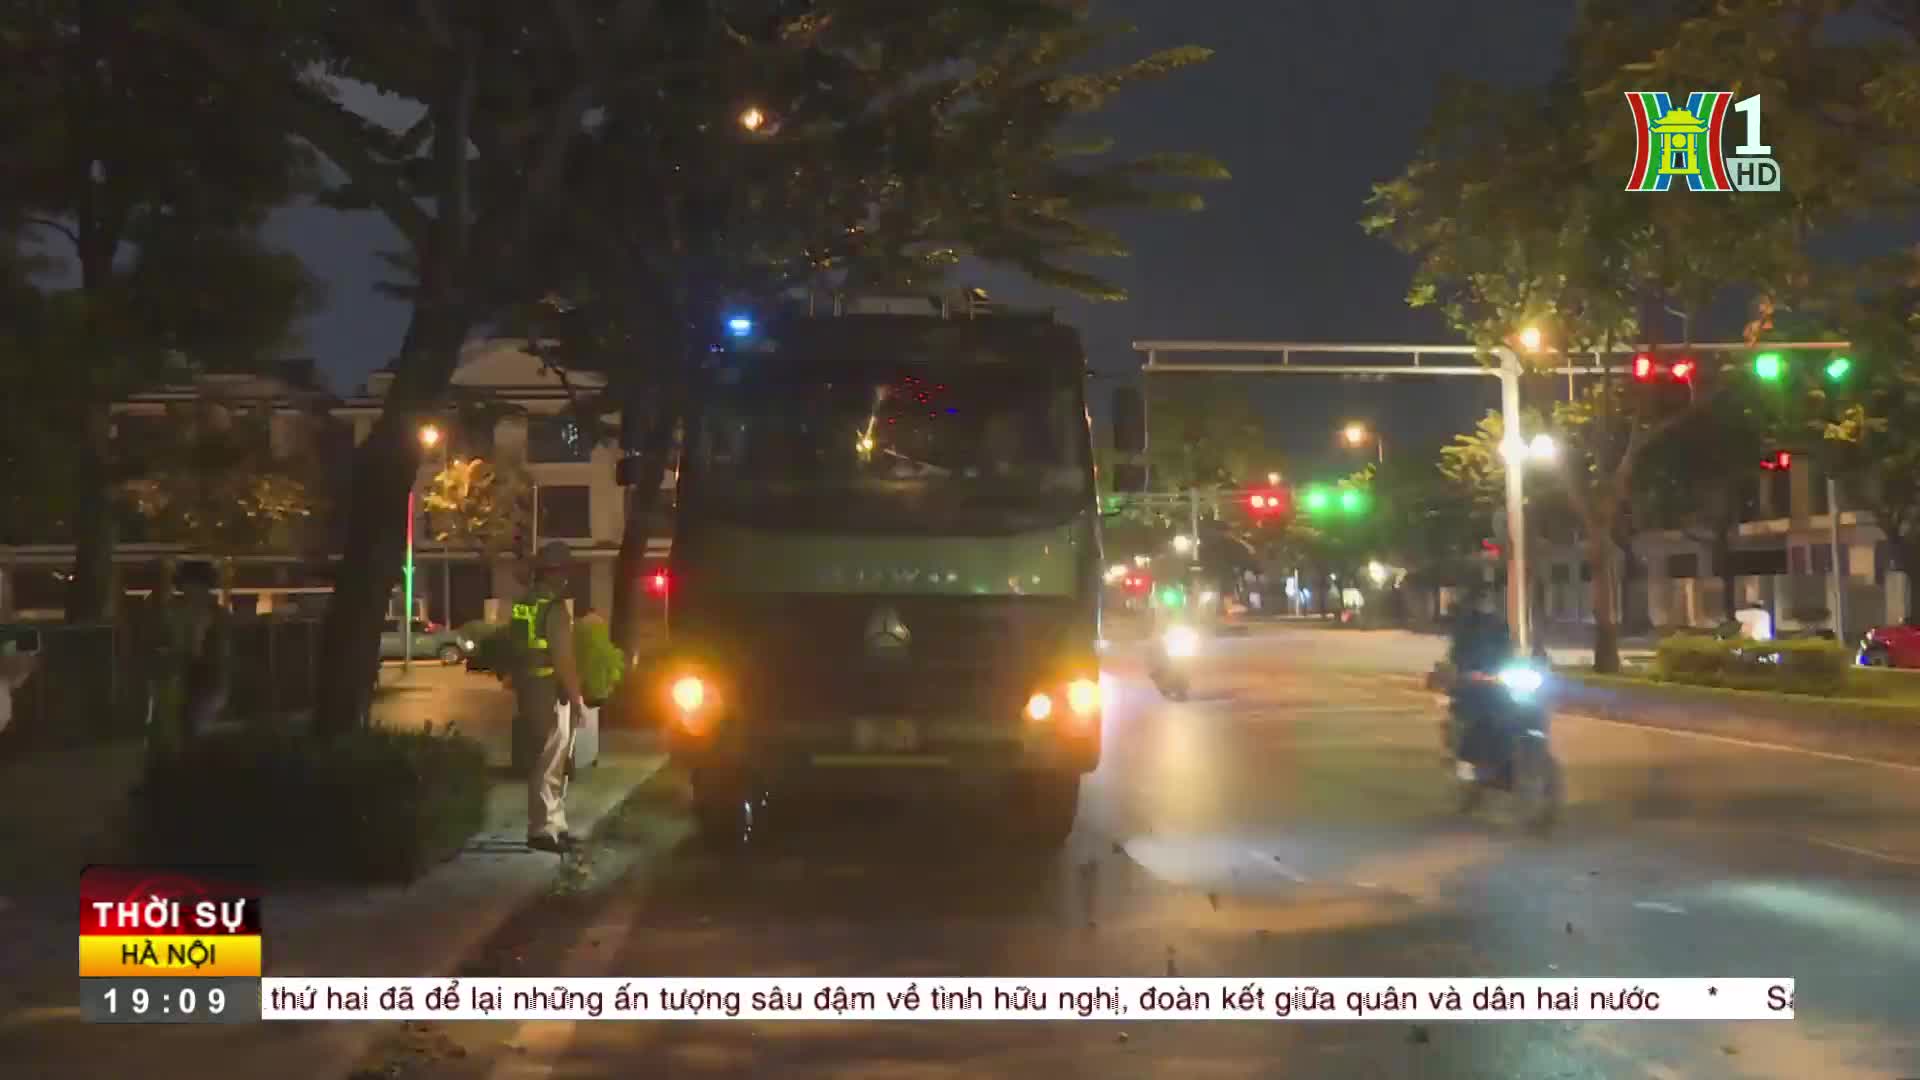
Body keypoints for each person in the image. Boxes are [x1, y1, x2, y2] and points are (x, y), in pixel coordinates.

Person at [510, 542, 586, 854]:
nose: (567, 577)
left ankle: (554, 824)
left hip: (529, 688)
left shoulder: (524, 604)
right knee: (551, 760)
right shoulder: (554, 609)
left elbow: (515, 647)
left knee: (546, 758)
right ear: (554, 572)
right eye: (565, 570)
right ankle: (543, 828)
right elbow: (563, 657)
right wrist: (576, 697)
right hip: (550, 691)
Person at [1447, 587, 1515, 771]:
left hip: (1496, 680)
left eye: (1488, 598)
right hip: (1472, 683)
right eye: (1482, 598)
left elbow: (1509, 649)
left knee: (1515, 709)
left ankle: (1509, 759)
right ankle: (1466, 762)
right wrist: (1470, 672)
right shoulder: (1466, 625)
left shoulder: (1500, 623)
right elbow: (1457, 653)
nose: (1486, 603)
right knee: (1477, 718)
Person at [175, 561, 230, 741]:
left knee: (196, 730)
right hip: (205, 680)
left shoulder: (202, 614)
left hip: (203, 680)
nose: (185, 590)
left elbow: (195, 650)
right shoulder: (216, 613)